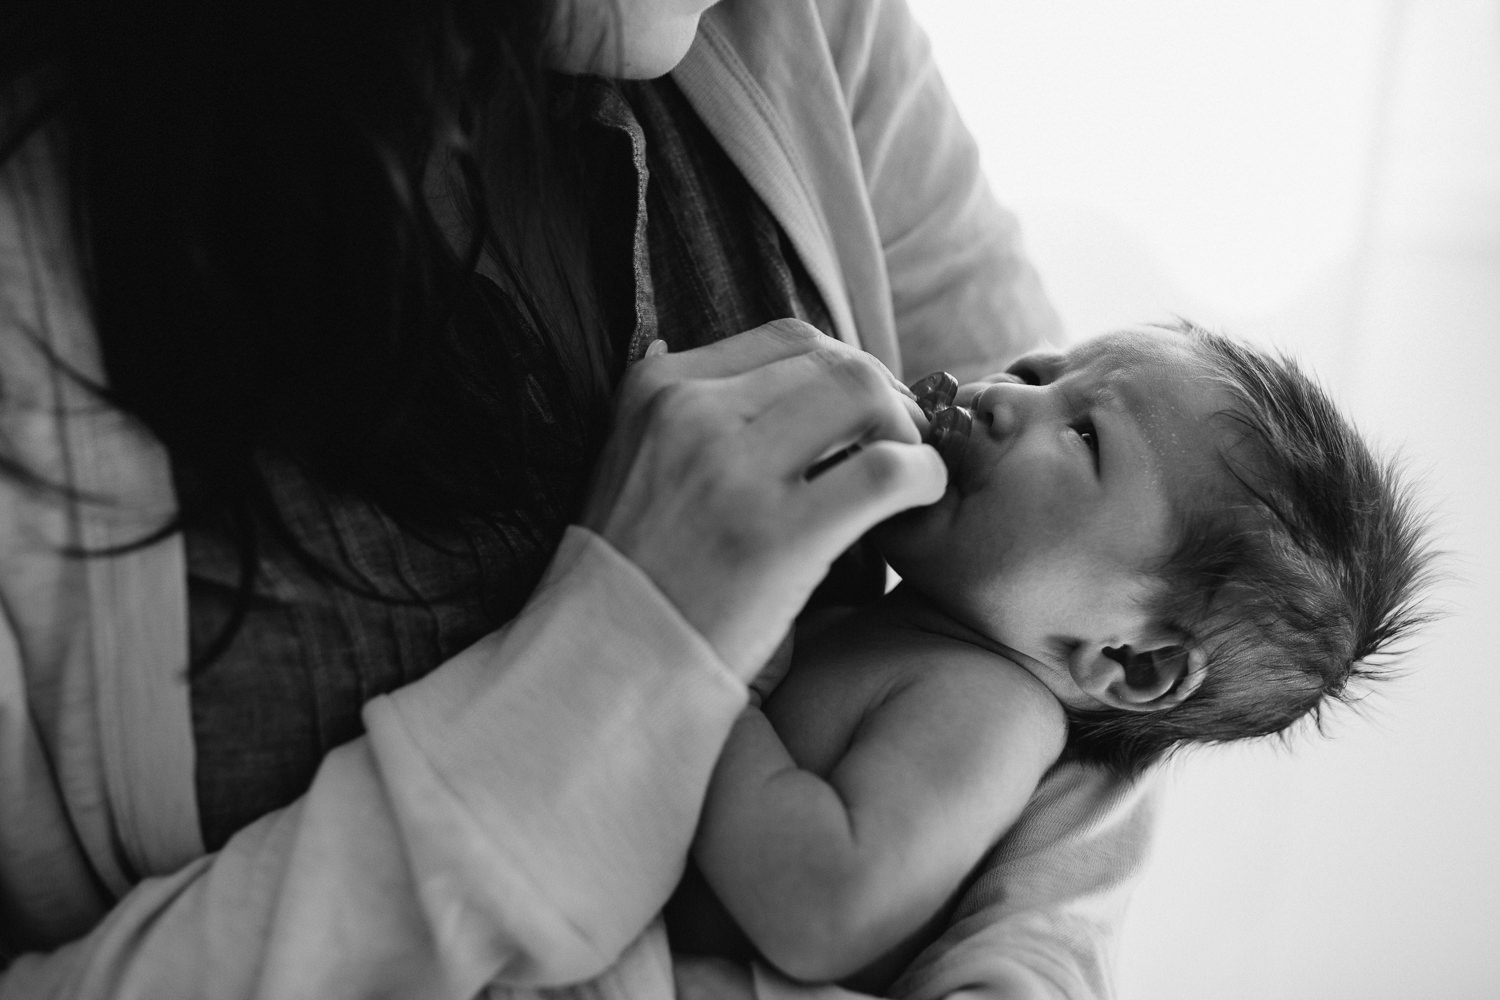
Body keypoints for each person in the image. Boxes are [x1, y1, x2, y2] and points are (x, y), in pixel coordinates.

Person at [0, 1, 1157, 997]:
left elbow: (1113, 598)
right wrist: (635, 646)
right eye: (1051, 389)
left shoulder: (801, 25)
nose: (1009, 393)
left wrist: (1020, 968)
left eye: (1072, 408)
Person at [664, 321, 1435, 992]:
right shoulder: (889, 621)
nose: (1003, 396)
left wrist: (709, 674)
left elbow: (826, 911)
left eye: (1086, 435)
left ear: (1133, 660)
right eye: (1040, 372)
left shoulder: (985, 710)